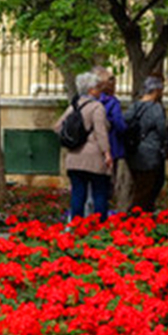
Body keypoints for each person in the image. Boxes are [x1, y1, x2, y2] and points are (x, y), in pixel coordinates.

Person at [55, 70, 112, 222]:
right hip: (94, 158)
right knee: (99, 192)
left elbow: (58, 126)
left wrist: (74, 139)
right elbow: (101, 132)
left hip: (74, 157)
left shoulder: (73, 106)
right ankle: (100, 227)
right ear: (91, 90)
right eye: (98, 87)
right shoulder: (96, 107)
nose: (100, 91)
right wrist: (107, 153)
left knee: (77, 194)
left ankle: (76, 226)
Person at [123, 76, 168, 214]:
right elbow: (162, 131)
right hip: (150, 155)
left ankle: (140, 216)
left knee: (139, 186)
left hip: (132, 153)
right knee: (146, 190)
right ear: (156, 90)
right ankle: (136, 217)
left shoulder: (134, 107)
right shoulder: (156, 109)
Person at [93, 66, 128, 209]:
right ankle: (102, 214)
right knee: (107, 184)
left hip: (93, 147)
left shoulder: (91, 101)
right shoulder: (113, 103)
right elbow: (120, 125)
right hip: (111, 147)